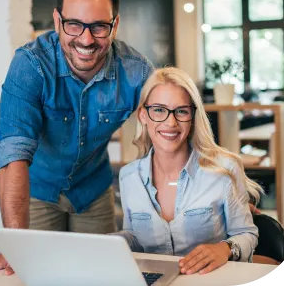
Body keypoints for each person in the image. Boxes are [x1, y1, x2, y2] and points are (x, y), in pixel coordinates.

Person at [0, 0, 154, 276]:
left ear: (115, 24)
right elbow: (13, 154)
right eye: (74, 24)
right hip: (37, 190)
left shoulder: (136, 71)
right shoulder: (30, 65)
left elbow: (176, 129)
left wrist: (223, 189)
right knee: (34, 274)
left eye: (99, 26)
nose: (86, 40)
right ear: (58, 20)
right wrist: (15, 245)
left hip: (93, 189)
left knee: (99, 276)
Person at [113, 66, 265, 275]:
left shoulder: (224, 169)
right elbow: (135, 238)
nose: (170, 122)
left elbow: (247, 233)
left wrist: (225, 249)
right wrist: (111, 242)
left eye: (181, 111)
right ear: (143, 115)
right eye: (158, 110)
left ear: (193, 117)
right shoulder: (129, 176)